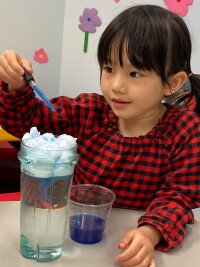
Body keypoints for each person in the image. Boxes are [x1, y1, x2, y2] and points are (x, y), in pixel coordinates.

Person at [0, 4, 200, 267]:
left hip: (129, 244)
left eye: (135, 73)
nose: (115, 85)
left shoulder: (184, 129)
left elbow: (179, 196)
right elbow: (28, 121)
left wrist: (150, 233)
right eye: (108, 69)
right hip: (71, 238)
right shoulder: (90, 110)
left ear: (172, 83)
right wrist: (15, 85)